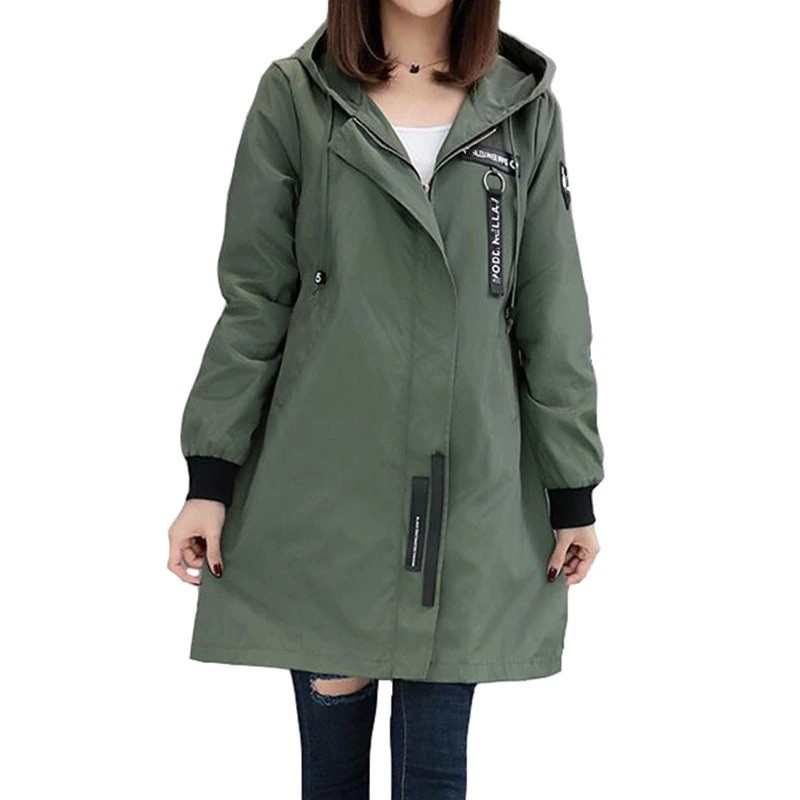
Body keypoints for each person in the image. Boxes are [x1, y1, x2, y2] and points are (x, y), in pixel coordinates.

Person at [168, 1, 605, 797]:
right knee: (332, 774)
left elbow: (553, 312)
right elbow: (256, 299)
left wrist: (572, 487)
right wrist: (210, 477)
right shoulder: (299, 98)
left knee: (434, 770)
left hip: (468, 493)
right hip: (328, 492)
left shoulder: (522, 109)